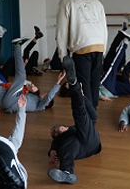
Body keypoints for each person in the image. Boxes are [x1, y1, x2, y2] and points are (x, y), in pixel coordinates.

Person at [47, 56, 101, 185]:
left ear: (64, 125)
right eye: (55, 132)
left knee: (80, 115)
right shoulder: (61, 141)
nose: (56, 130)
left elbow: (93, 115)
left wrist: (82, 97)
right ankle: (67, 173)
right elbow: (55, 145)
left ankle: (73, 84)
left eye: (56, 128)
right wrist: (52, 151)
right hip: (82, 149)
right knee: (68, 146)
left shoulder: (74, 128)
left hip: (90, 140)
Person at [0, 41, 64, 114]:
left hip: (11, 102)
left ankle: (17, 47)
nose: (45, 93)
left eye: (46, 95)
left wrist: (58, 82)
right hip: (5, 103)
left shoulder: (40, 106)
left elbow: (49, 97)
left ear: (46, 103)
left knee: (21, 77)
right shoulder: (34, 97)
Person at [56, 0, 108, 109]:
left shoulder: (65, 2)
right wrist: (103, 50)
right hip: (99, 46)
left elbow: (61, 32)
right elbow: (104, 28)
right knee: (95, 83)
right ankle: (94, 113)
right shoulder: (96, 2)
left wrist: (63, 57)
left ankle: (88, 117)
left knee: (83, 84)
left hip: (82, 47)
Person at [100, 22, 130, 99]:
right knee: (113, 49)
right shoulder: (122, 81)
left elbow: (126, 70)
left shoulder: (126, 82)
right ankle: (122, 35)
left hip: (106, 75)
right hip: (107, 74)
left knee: (114, 57)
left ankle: (124, 40)